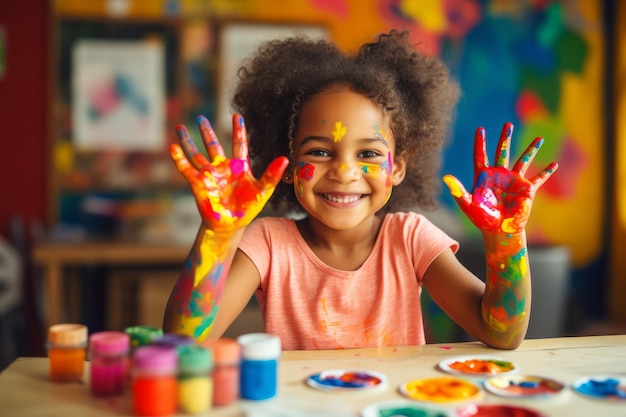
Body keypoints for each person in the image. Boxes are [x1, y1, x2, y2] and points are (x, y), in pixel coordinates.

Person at [163, 30, 558, 350]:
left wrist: (505, 239)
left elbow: (501, 333)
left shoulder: (410, 238)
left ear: (398, 167)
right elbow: (184, 341)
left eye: (368, 153)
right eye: (319, 151)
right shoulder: (269, 243)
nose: (344, 171)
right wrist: (218, 235)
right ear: (285, 166)